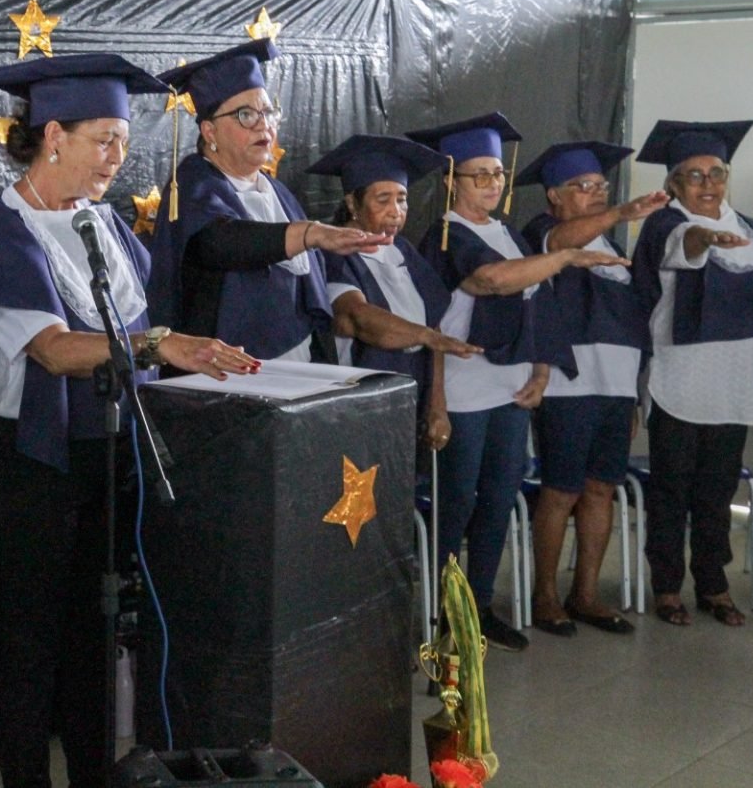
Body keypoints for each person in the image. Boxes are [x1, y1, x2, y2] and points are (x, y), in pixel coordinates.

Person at [0, 55, 257, 788]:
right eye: (103, 138)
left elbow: (137, 324)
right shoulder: (2, 234)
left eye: (124, 142)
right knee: (31, 641)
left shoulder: (101, 225)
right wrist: (161, 343)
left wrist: (184, 349)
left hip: (106, 454)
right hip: (34, 463)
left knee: (96, 637)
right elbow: (57, 350)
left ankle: (99, 774)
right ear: (53, 135)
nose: (116, 156)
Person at [408, 112, 627, 651]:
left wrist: (543, 369)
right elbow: (487, 283)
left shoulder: (505, 232)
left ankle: (478, 607)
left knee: (499, 499)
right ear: (450, 180)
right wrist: (435, 402)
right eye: (477, 175)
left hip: (510, 388)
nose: (490, 185)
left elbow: (538, 302)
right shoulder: (444, 234)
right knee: (456, 502)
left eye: (496, 175)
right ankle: (440, 614)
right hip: (460, 388)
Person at [631, 119, 753, 628]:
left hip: (735, 381)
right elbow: (686, 245)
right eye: (694, 175)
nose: (708, 183)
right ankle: (667, 585)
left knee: (718, 491)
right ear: (673, 184)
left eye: (716, 172)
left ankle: (714, 583)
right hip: (679, 379)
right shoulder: (663, 225)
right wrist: (703, 235)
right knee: (672, 488)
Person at [146, 40, 382, 362]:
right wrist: (310, 233)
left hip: (298, 361)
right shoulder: (193, 185)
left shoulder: (275, 190)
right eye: (245, 114)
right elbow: (221, 242)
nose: (263, 125)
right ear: (210, 131)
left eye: (267, 111)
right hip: (230, 371)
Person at [516, 141, 668, 636]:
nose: (596, 195)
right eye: (583, 188)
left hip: (617, 384)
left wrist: (637, 395)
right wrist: (624, 211)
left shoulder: (615, 248)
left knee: (603, 489)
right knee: (561, 491)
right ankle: (545, 596)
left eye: (601, 187)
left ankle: (586, 594)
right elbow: (563, 242)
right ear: (555, 197)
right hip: (568, 383)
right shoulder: (543, 232)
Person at [306, 134, 482, 450]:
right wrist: (424, 336)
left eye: (401, 199)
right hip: (357, 407)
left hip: (409, 401)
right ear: (352, 203)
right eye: (382, 199)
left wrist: (437, 405)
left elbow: (435, 326)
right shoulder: (334, 254)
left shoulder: (403, 250)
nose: (395, 211)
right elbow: (355, 318)